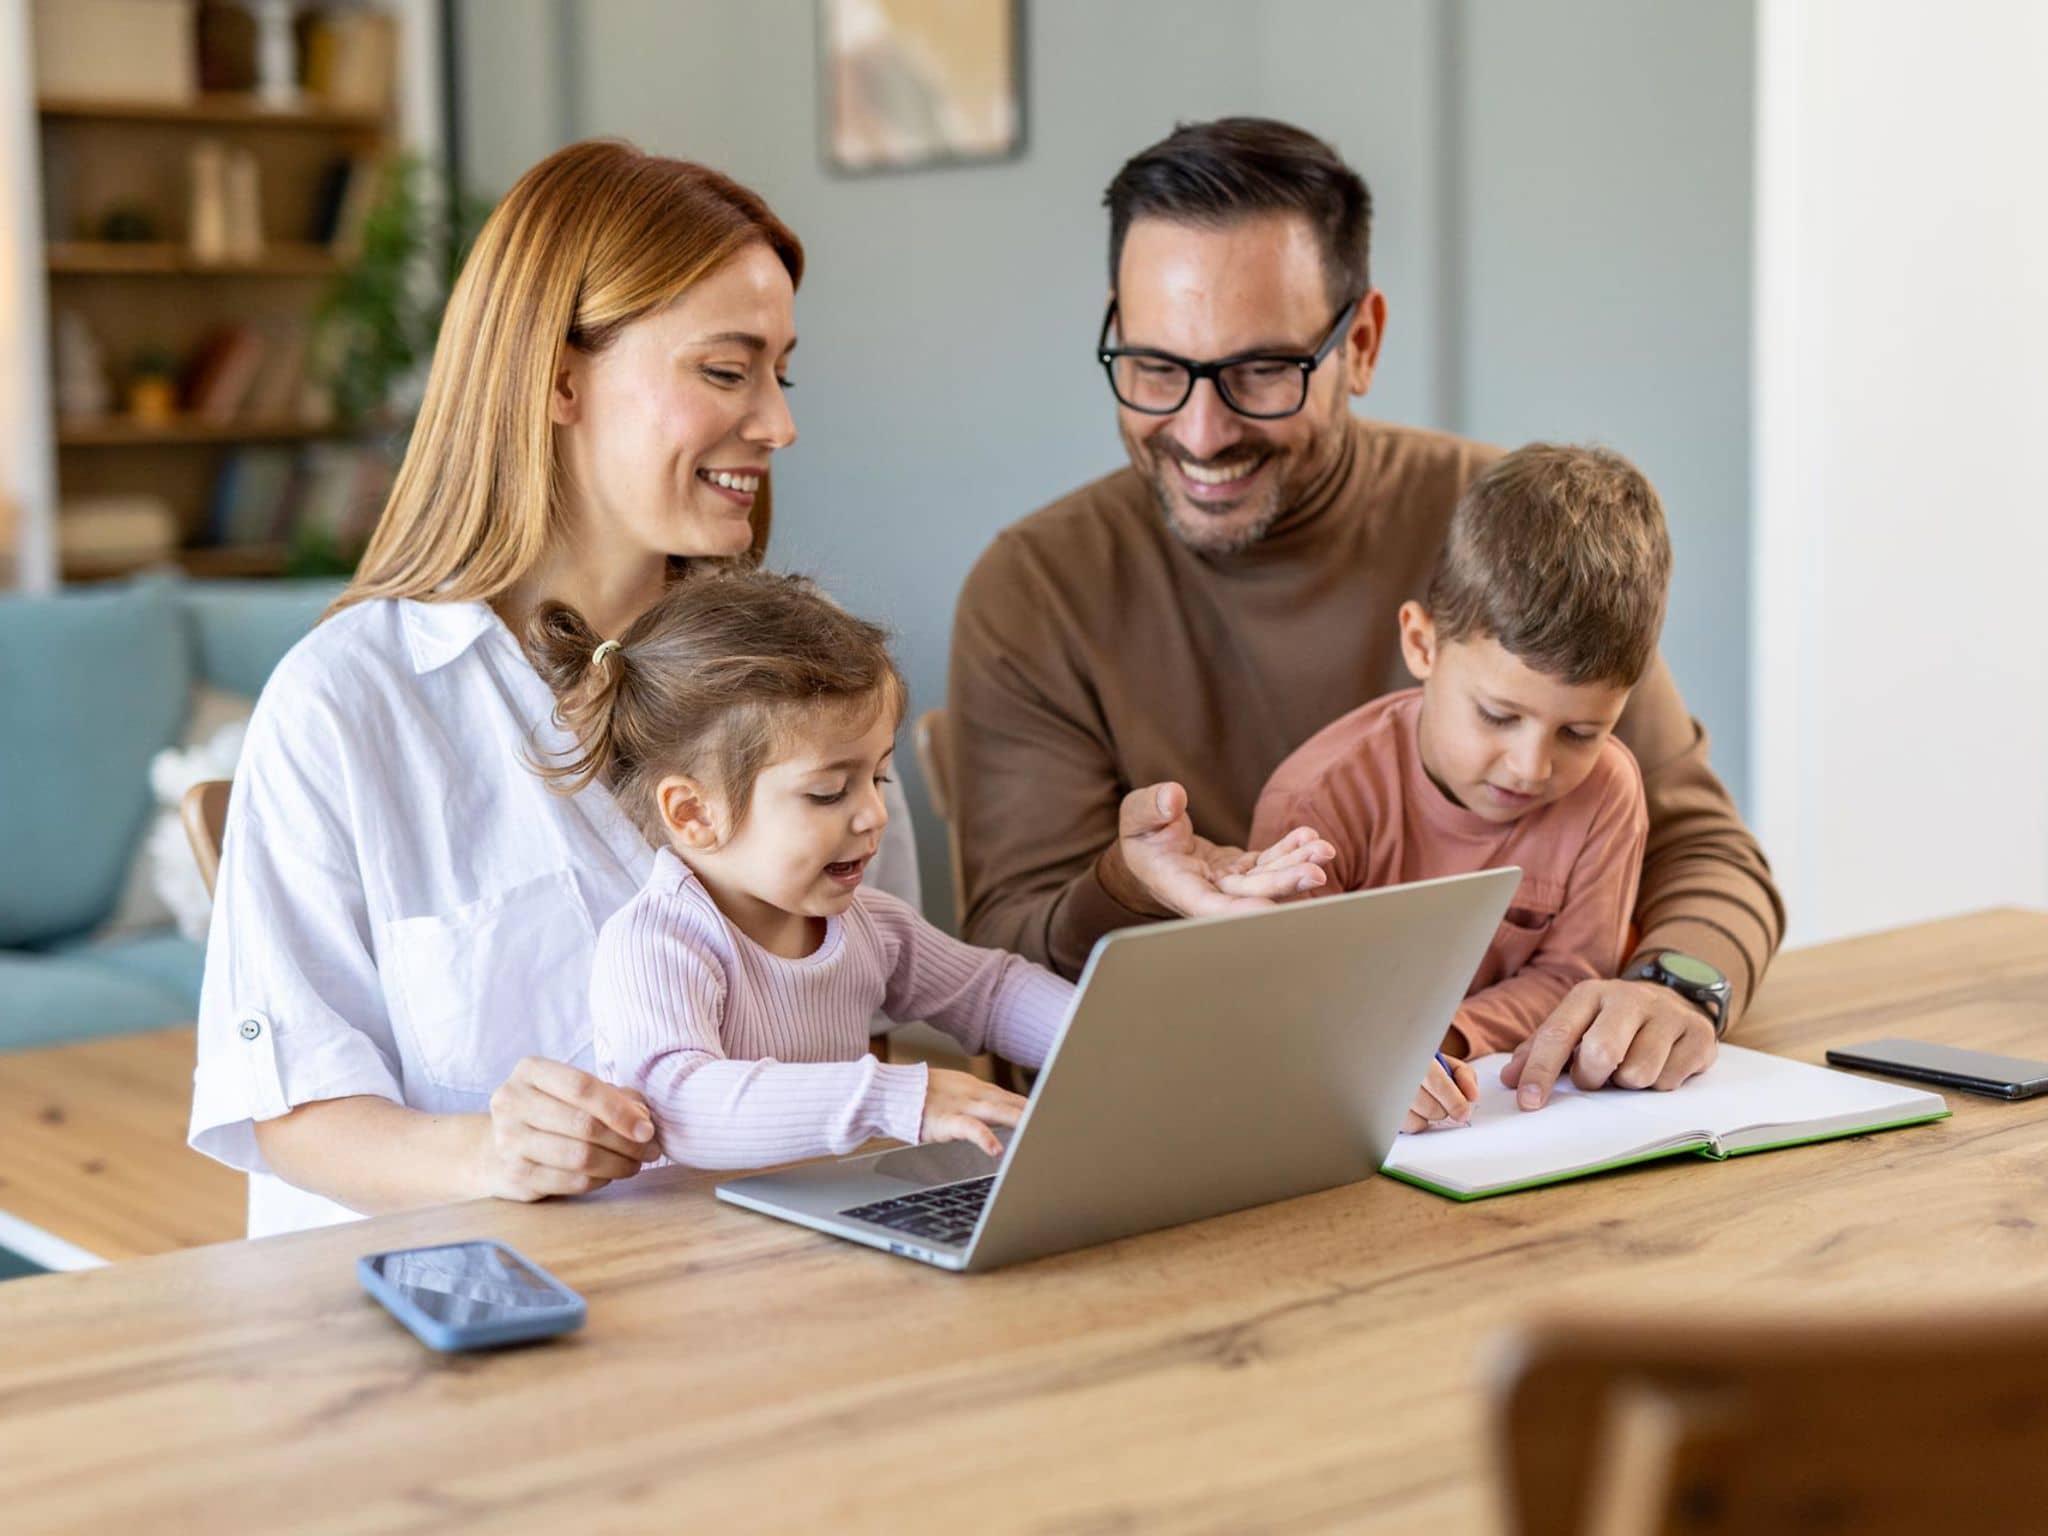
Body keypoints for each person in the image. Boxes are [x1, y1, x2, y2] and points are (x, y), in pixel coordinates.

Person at [949, 117, 1783, 1111]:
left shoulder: (1501, 533)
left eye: (1261, 369)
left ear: (1362, 343)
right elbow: (1006, 964)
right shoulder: (1037, 589)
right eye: (1155, 367)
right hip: (1197, 1126)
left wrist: (1673, 985)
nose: (1200, 431)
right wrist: (1128, 883)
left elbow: (1699, 845)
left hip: (1505, 1125)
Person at [189, 141, 848, 1236]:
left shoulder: (796, 683)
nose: (777, 423)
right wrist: (490, 1149)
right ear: (557, 376)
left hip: (759, 1291)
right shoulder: (349, 704)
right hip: (463, 1321)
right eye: (727, 372)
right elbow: (292, 1111)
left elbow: (878, 996)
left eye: (781, 372)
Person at [531, 568, 1070, 1167]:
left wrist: (1123, 1038)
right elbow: (681, 1108)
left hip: (825, 1223)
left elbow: (992, 993)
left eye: (879, 777)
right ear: (693, 814)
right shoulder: (657, 943)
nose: (872, 814)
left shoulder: (874, 928)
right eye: (828, 792)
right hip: (694, 1244)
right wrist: (898, 1097)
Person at [1252, 443, 1673, 1133]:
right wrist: (1379, 1055)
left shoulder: (1607, 793)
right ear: (1422, 645)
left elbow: (1573, 978)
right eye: (1498, 716)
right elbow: (1295, 1013)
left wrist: (1444, 1038)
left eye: (1580, 733)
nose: (1531, 769)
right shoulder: (1315, 805)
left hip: (1511, 1122)